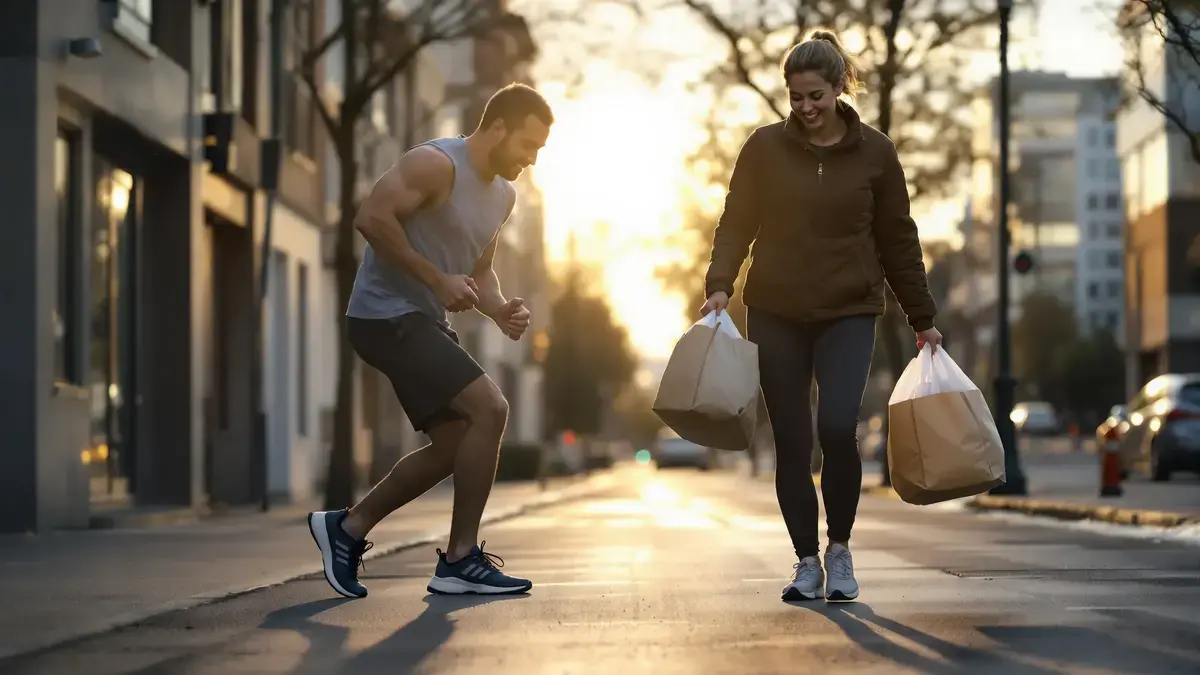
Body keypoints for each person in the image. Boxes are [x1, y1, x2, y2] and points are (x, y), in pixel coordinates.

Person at [700, 30, 942, 603]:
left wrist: (921, 315)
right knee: (791, 436)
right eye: (795, 97)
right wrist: (718, 285)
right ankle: (806, 560)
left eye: (816, 96)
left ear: (840, 88)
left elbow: (898, 239)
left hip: (849, 311)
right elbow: (736, 222)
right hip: (777, 310)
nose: (806, 108)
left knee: (837, 427)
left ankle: (840, 549)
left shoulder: (877, 153)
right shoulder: (763, 148)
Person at [308, 83, 553, 599]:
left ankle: (347, 529)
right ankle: (460, 559)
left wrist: (500, 310)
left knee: (456, 443)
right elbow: (371, 218)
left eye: (539, 151)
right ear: (498, 127)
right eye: (527, 146)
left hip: (420, 319)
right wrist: (435, 279)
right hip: (382, 316)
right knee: (491, 408)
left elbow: (480, 271)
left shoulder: (503, 196)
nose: (531, 160)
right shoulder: (435, 164)